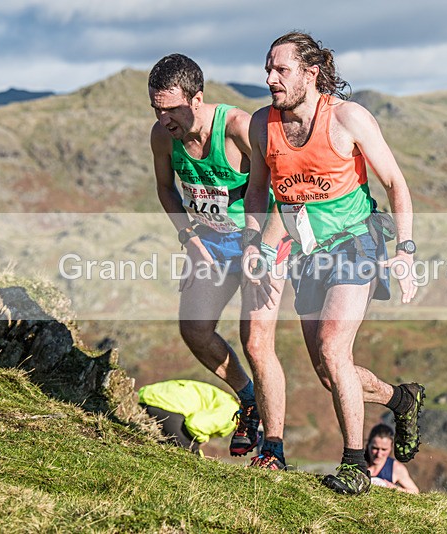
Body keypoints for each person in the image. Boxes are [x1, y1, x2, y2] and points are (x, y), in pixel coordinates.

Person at [242, 31, 426, 494]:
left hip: (356, 243)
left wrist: (405, 251)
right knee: (329, 374)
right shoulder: (263, 125)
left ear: (311, 73)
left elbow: (396, 183)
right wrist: (255, 245)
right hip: (307, 253)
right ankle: (400, 400)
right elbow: (259, 191)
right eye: (268, 70)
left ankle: (355, 466)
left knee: (331, 347)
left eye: (281, 70)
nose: (271, 79)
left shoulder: (347, 118)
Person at [149, 54, 288, 468]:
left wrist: (261, 247)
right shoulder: (162, 136)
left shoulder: (237, 127)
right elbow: (165, 188)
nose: (164, 119)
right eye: (156, 109)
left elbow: (282, 191)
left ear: (197, 99)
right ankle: (249, 399)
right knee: (194, 329)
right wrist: (189, 238)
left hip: (261, 240)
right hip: (210, 241)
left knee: (256, 342)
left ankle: (274, 450)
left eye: (171, 109)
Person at [138, 380, 240, 454]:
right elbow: (195, 424)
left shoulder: (228, 401)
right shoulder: (232, 414)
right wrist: (203, 439)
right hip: (168, 405)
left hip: (151, 395)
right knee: (193, 456)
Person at [365, 424, 419, 494]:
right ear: (368, 445)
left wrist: (393, 488)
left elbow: (414, 491)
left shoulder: (396, 468)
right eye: (375, 448)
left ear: (391, 448)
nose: (379, 454)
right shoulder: (356, 462)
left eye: (384, 449)